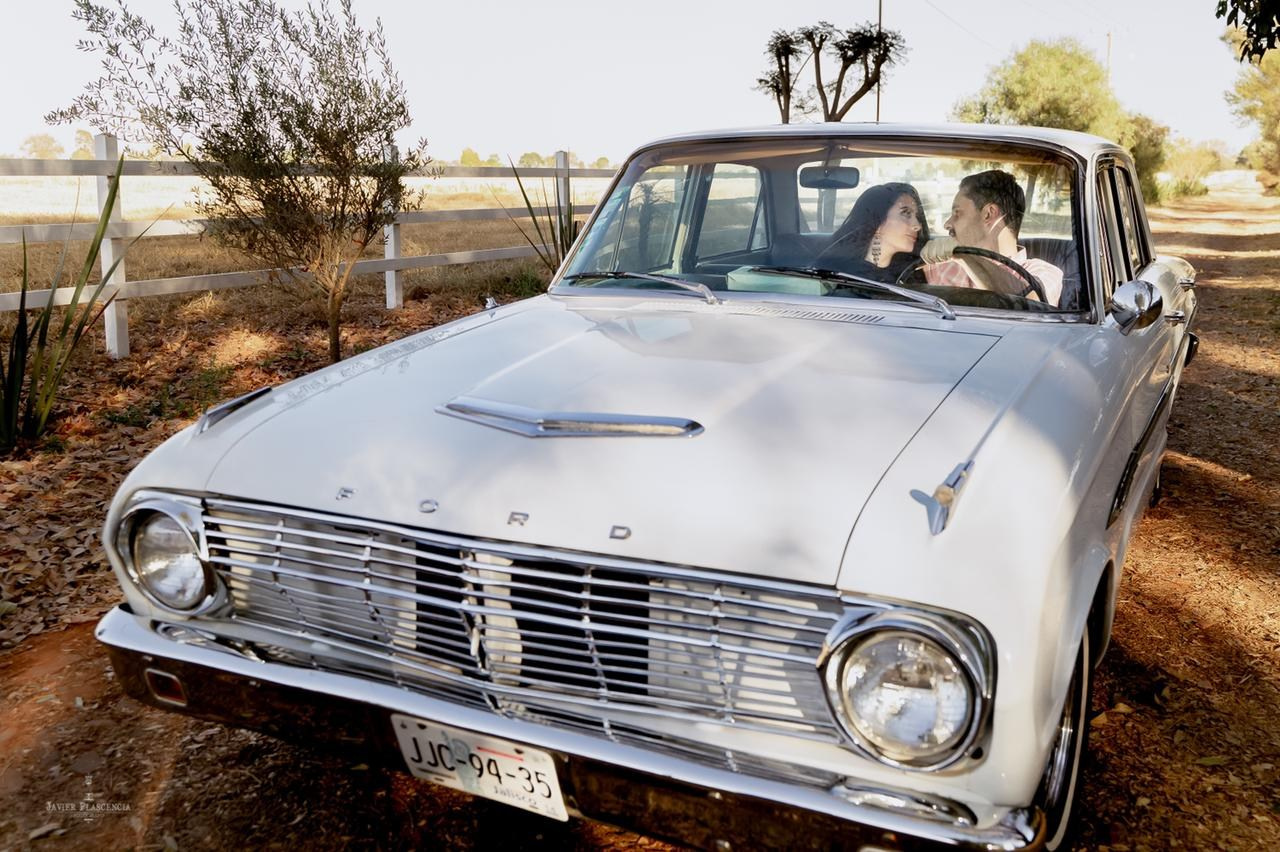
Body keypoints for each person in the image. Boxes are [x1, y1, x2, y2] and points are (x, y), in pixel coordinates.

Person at [923, 169, 1064, 305]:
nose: (947, 224)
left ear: (989, 214)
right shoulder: (940, 265)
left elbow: (1030, 306)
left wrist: (966, 255)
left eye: (957, 213)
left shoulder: (1045, 273)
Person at [816, 182, 929, 283]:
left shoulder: (911, 273)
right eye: (906, 213)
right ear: (877, 221)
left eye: (916, 216)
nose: (917, 226)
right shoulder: (836, 277)